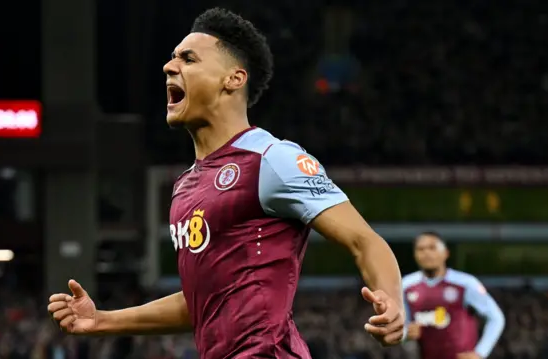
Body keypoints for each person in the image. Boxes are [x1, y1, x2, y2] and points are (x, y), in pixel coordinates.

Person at [48, 8, 405, 358]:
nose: (169, 66)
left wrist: (391, 300)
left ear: (233, 79)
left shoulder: (272, 159)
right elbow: (203, 300)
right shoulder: (185, 186)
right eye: (173, 58)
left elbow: (364, 240)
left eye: (188, 59)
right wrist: (102, 322)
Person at [402, 232, 505, 359]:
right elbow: (402, 326)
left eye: (432, 248)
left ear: (445, 253)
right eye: (420, 249)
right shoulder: (406, 285)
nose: (426, 253)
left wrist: (480, 353)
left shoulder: (465, 283)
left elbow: (496, 318)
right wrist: (406, 334)